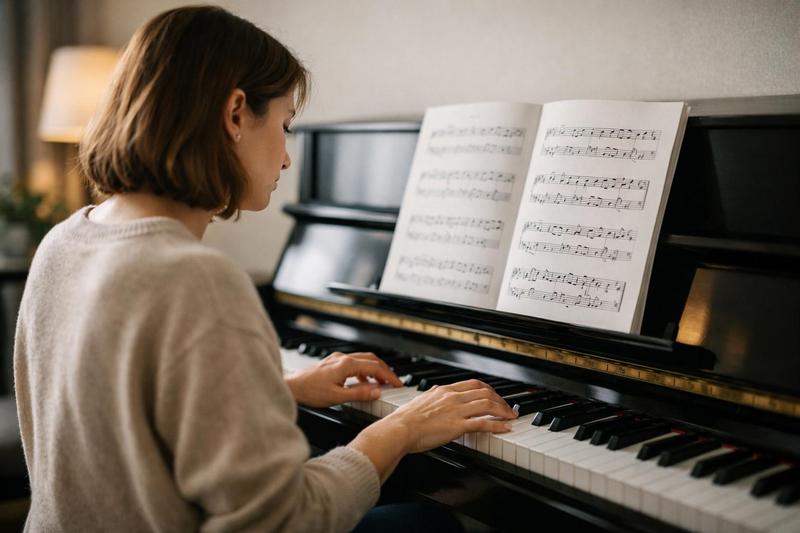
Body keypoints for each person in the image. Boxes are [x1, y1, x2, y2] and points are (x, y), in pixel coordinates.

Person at [13, 6, 517, 532]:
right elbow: (283, 521)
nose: (285, 159)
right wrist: (401, 429)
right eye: (284, 125)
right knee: (424, 523)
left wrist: (283, 389)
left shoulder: (65, 239)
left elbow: (121, 415)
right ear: (235, 114)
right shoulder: (197, 278)